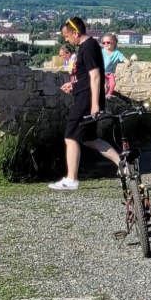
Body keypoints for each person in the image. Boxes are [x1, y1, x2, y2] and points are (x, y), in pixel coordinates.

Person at [49, 17, 122, 191]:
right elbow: (86, 77)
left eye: (67, 36)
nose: (67, 40)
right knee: (89, 139)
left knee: (70, 135)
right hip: (85, 95)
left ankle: (71, 179)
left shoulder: (88, 48)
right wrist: (74, 84)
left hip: (87, 100)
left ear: (76, 33)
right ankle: (124, 164)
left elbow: (96, 76)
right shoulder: (86, 47)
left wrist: (95, 104)